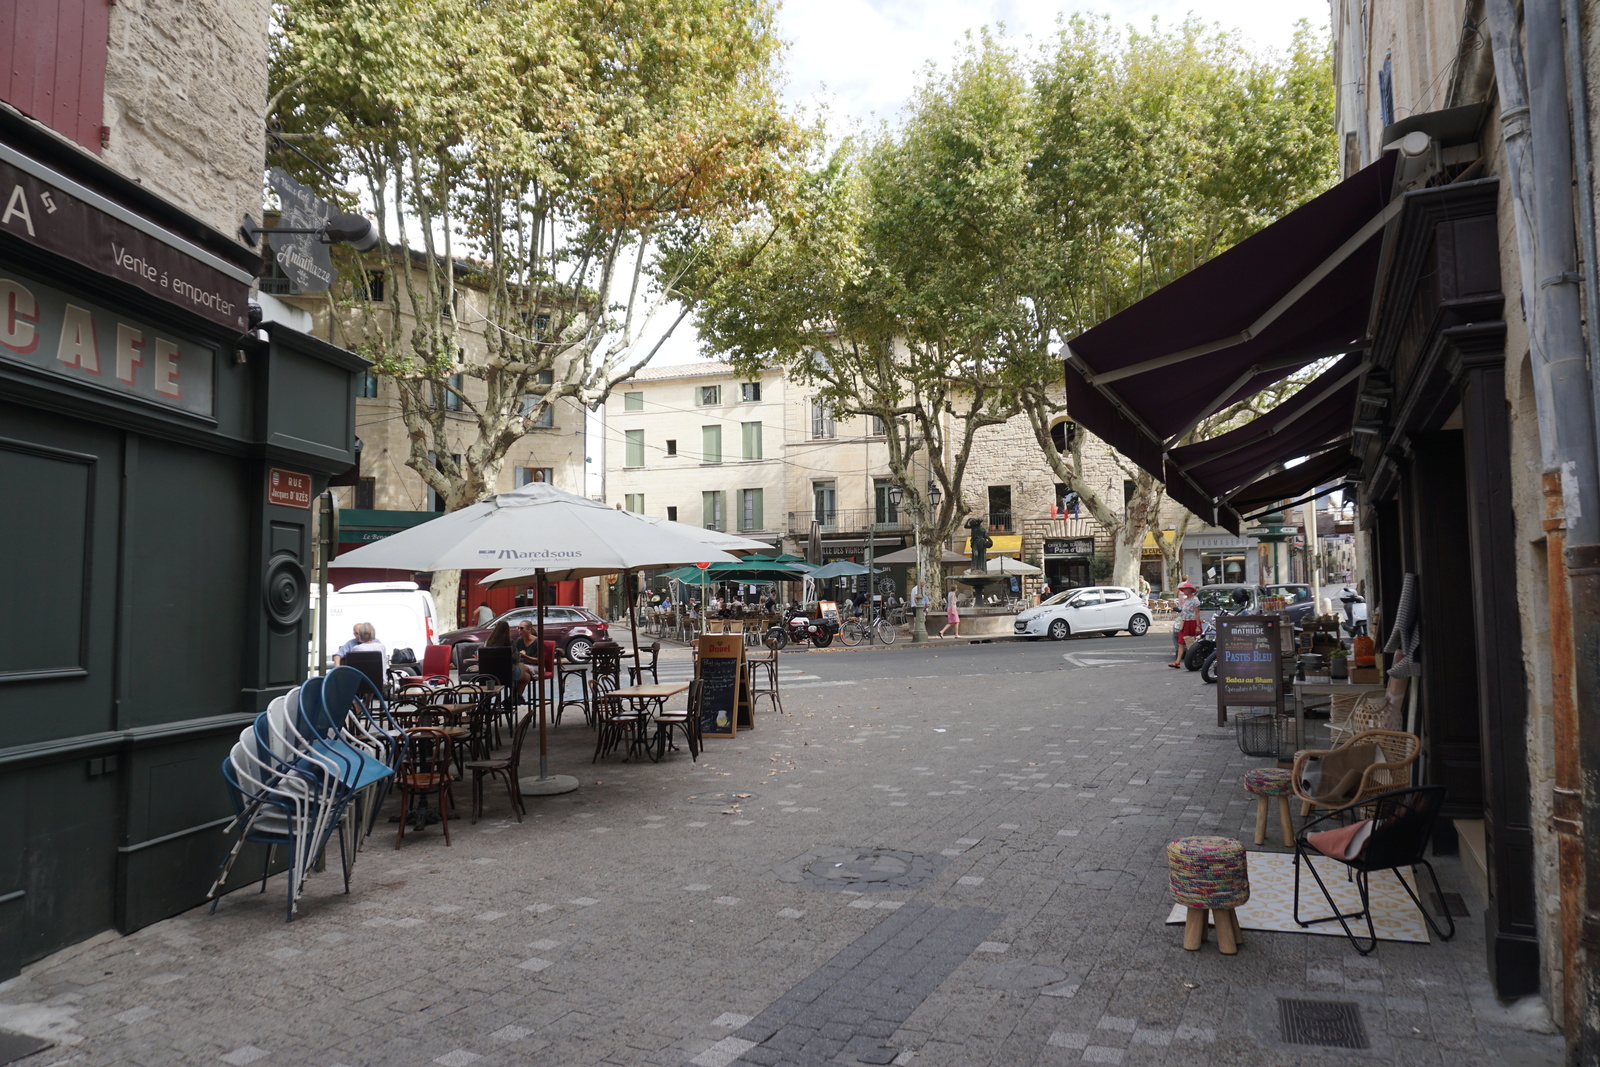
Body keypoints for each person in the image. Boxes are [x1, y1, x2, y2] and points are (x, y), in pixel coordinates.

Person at [1169, 581, 1200, 668]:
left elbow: (1197, 613)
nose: (1184, 591)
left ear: (1190, 590)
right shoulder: (1185, 600)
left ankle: (1196, 659)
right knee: (1181, 642)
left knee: (1192, 642)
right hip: (1184, 622)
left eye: (1185, 589)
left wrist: (1197, 626)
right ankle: (1177, 661)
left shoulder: (1195, 600)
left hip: (1192, 622)